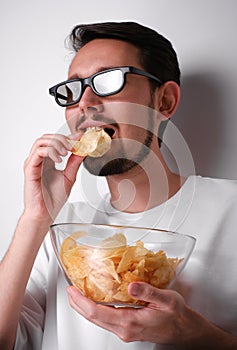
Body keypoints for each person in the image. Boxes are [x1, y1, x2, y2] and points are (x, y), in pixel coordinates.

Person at [0, 21, 237, 350]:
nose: (85, 102)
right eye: (73, 89)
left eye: (109, 80)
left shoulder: (232, 209)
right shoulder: (55, 231)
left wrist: (197, 336)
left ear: (164, 102)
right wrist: (35, 218)